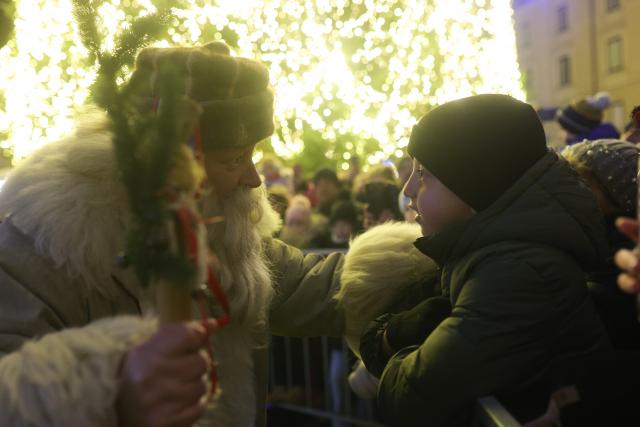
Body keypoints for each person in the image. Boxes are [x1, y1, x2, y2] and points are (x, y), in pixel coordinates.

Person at [0, 42, 412, 427]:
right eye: (235, 158)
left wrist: (435, 258)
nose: (252, 178)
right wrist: (109, 386)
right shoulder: (41, 251)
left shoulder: (222, 237)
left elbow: (318, 286)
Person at [359, 94, 611, 426]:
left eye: (424, 173)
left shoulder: (519, 274)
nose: (408, 188)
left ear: (475, 184)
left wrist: (388, 341)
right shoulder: (491, 256)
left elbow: (411, 399)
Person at [561, 139, 640, 350]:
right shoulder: (590, 253)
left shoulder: (606, 273)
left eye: (581, 184)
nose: (569, 194)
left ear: (617, 197)